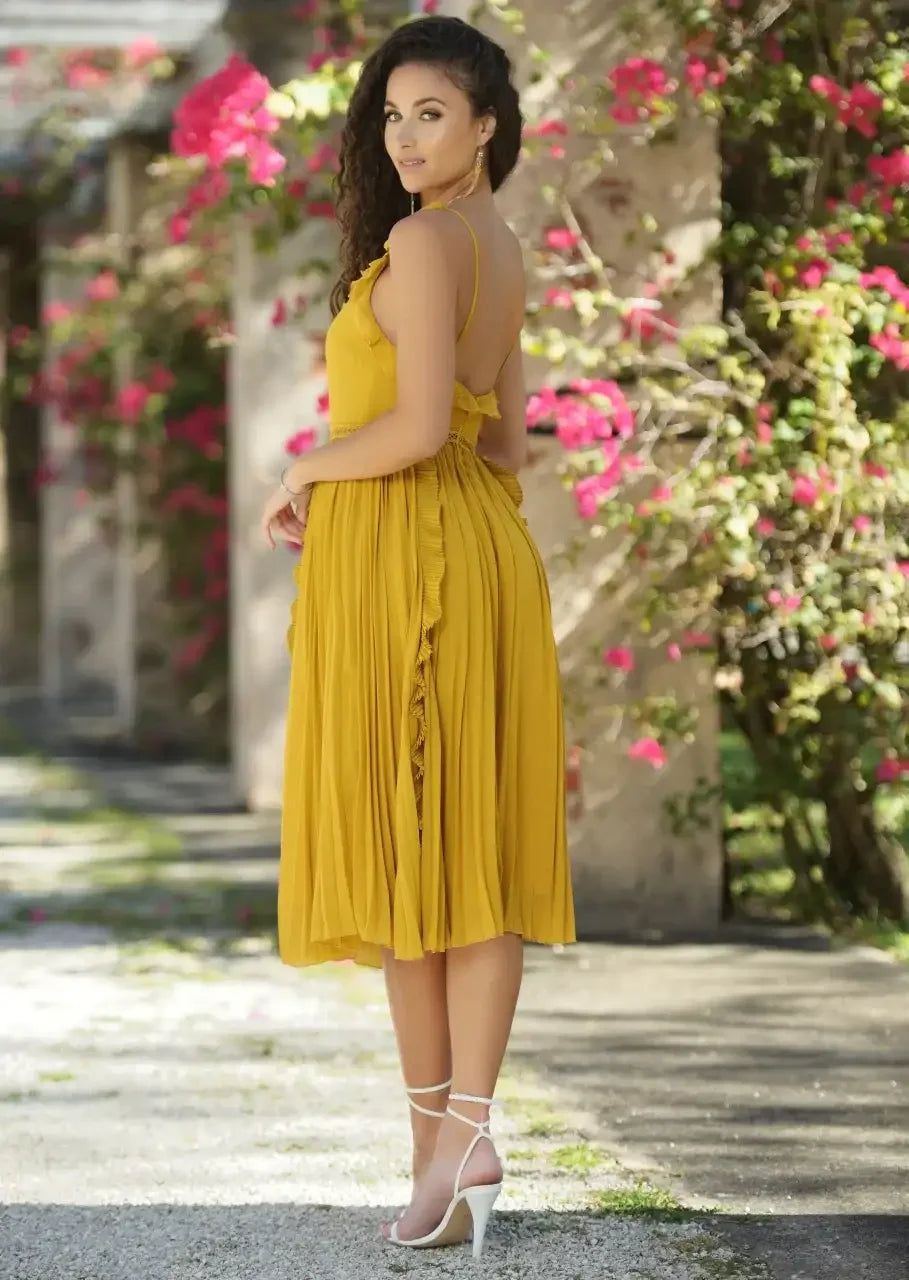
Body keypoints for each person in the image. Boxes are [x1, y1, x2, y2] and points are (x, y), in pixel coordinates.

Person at [260, 13, 575, 1261]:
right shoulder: (497, 246)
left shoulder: (426, 238)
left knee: (413, 865)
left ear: (487, 123)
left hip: (412, 562)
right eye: (390, 115)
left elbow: (421, 425)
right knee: (467, 858)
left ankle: (444, 1150)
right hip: (480, 554)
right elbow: (502, 443)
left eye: (429, 113)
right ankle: (457, 1144)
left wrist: (302, 471)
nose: (402, 137)